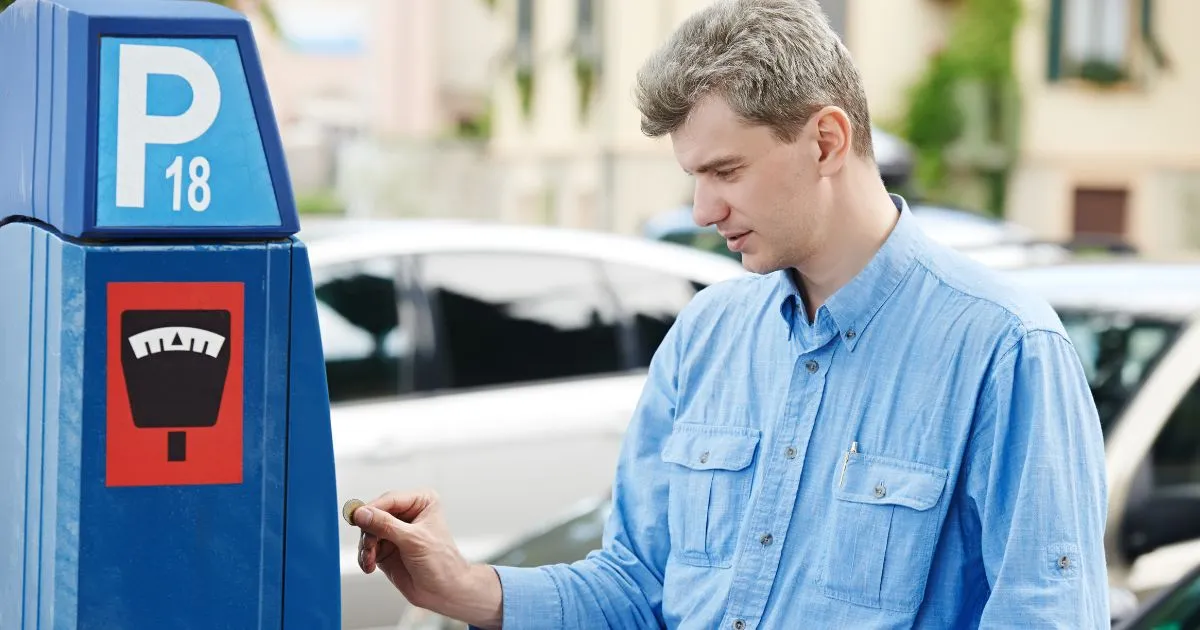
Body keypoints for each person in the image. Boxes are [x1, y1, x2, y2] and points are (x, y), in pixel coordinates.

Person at [350, 0, 1110, 627]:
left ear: (826, 140)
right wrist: (464, 586)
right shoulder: (706, 337)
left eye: (726, 171)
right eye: (693, 175)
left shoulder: (1006, 349)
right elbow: (636, 587)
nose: (703, 208)